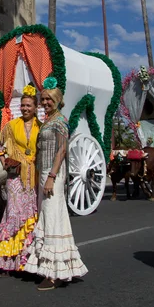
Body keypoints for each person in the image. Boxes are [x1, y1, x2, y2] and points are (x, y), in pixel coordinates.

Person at [24, 77, 88, 290]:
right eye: (43, 99)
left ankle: (53, 275)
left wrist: (51, 177)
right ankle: (53, 268)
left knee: (52, 217)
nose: (45, 103)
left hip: (54, 175)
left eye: (49, 99)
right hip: (44, 175)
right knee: (49, 217)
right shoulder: (48, 121)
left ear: (58, 100)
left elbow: (61, 150)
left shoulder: (60, 121)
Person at [0, 85, 41, 276]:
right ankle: (5, 261)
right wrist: (4, 162)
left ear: (35, 107)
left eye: (29, 106)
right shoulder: (11, 126)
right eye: (23, 105)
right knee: (13, 214)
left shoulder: (40, 127)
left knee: (30, 215)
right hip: (15, 177)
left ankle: (25, 260)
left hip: (33, 177)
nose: (25, 108)